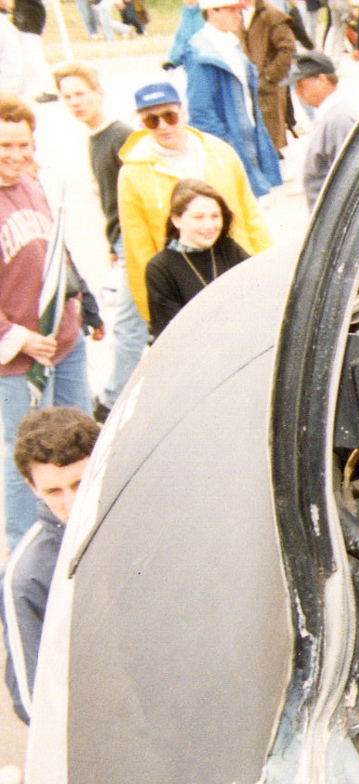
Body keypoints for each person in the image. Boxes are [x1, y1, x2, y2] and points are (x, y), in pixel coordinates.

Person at [0, 96, 93, 550]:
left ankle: (86, 526)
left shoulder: (31, 184)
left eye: (24, 144)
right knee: (29, 457)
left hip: (64, 340)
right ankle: (28, 546)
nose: (17, 155)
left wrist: (84, 300)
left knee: (80, 441)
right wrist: (15, 337)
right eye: (5, 145)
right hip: (21, 360)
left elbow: (56, 250)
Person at [117, 82, 272, 327]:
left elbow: (250, 214)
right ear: (141, 123)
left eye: (170, 116)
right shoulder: (132, 173)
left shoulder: (220, 152)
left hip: (235, 267)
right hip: (182, 284)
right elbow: (137, 246)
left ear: (183, 113)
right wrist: (151, 314)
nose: (163, 126)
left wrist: (269, 270)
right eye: (152, 120)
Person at [52, 62, 147, 416]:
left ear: (99, 93)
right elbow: (109, 197)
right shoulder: (94, 137)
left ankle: (111, 400)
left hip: (135, 240)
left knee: (127, 323)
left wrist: (128, 241)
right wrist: (112, 242)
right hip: (121, 240)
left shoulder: (120, 135)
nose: (75, 102)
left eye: (81, 94)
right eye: (68, 97)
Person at [1, 406, 98, 723]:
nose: (71, 503)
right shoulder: (25, 578)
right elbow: (31, 702)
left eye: (80, 483)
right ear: (32, 488)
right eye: (54, 491)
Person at [181, 0, 283, 197]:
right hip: (230, 146)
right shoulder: (200, 51)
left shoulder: (232, 44)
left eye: (240, 11)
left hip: (249, 139)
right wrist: (228, 147)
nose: (239, 16)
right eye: (232, 10)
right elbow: (200, 113)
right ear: (212, 11)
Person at [144, 180, 253, 341]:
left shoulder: (229, 249)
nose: (209, 225)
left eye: (215, 216)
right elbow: (170, 334)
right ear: (176, 220)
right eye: (198, 217)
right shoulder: (160, 268)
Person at [291, 50, 359, 210]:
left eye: (301, 84)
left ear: (322, 80)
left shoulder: (339, 119)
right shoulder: (330, 115)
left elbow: (348, 182)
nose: (297, 91)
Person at [244, 0, 298, 150]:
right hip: (246, 93)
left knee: (271, 146)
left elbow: (288, 49)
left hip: (268, 95)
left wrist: (269, 77)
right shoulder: (234, 14)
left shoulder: (271, 15)